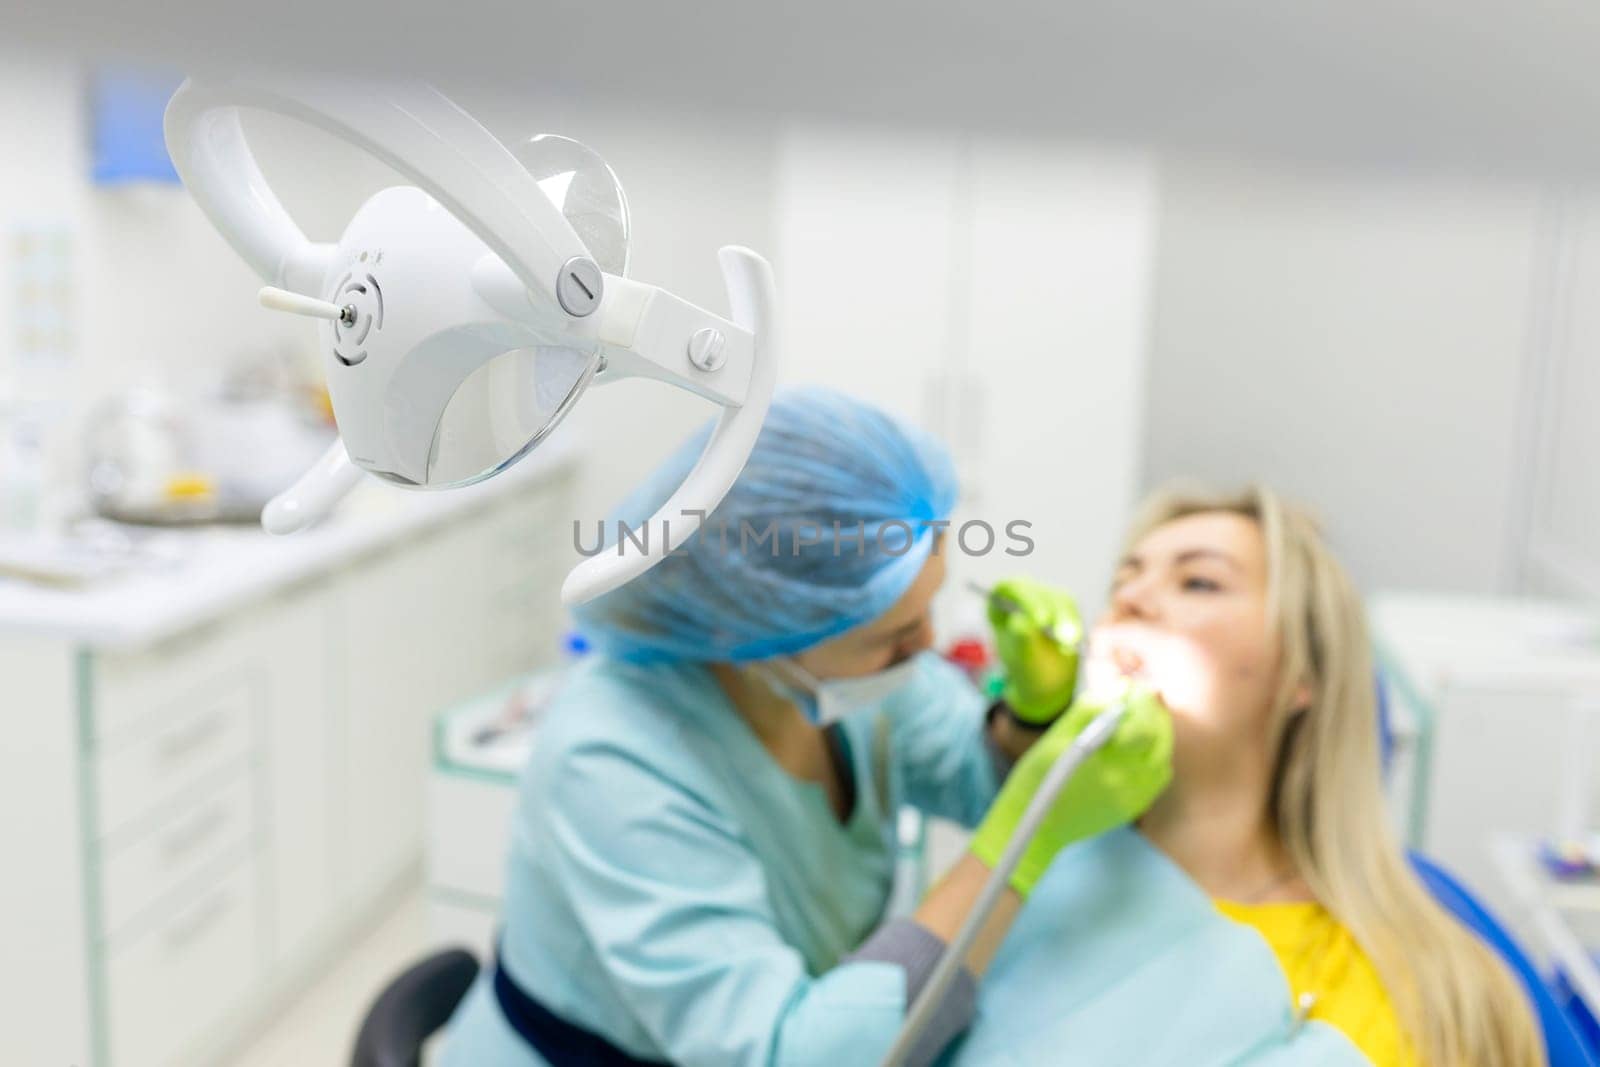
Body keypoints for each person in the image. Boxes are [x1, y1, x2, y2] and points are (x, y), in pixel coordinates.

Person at [439, 386, 1170, 1067]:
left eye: (926, 614)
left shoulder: (847, 675)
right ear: (751, 626)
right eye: (894, 633)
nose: (929, 648)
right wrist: (1022, 840)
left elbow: (970, 774)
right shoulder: (611, 757)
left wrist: (1028, 718)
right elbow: (780, 1050)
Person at [947, 485, 1546, 1067]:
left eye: (1198, 581)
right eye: (1123, 579)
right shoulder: (1022, 884)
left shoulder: (1411, 995)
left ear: (1302, 673)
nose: (1131, 600)